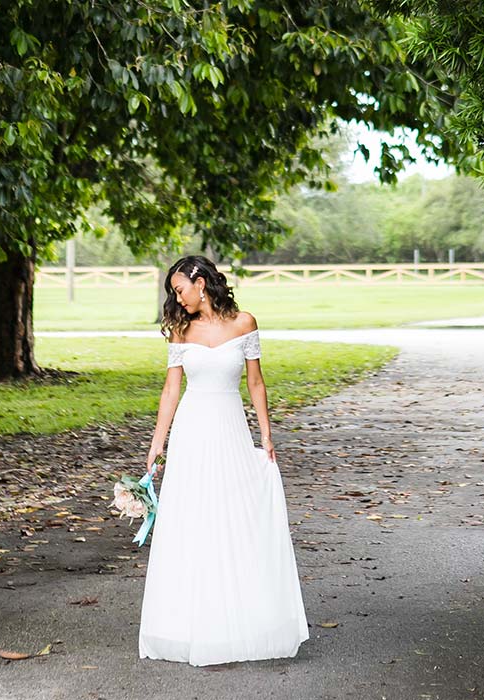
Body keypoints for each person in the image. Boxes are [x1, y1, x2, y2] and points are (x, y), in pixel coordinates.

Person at [138, 255, 309, 666]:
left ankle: (241, 621)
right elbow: (170, 391)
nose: (178, 300)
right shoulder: (181, 330)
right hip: (193, 429)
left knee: (232, 517)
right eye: (174, 294)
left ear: (200, 280)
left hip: (231, 428)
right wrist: (158, 442)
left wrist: (266, 433)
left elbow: (256, 382)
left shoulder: (244, 323)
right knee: (194, 519)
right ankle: (190, 625)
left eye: (180, 289)